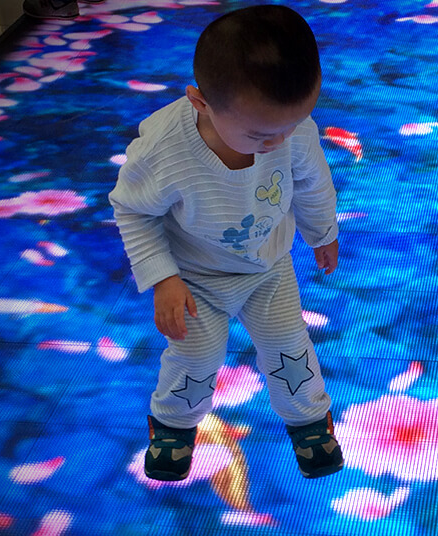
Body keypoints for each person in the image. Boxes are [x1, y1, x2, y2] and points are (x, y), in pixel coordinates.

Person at [109, 4, 343, 482]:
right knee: (195, 357)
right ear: (201, 103)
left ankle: (308, 420)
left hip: (268, 268)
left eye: (293, 124)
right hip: (195, 276)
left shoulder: (291, 131)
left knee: (290, 347)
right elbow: (133, 210)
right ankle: (173, 425)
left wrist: (322, 232)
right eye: (261, 134)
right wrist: (163, 278)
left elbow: (312, 182)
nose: (279, 141)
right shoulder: (164, 150)